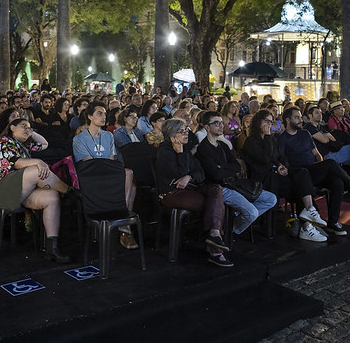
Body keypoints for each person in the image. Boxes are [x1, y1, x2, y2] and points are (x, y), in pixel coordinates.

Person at [278, 106, 350, 236]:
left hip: (314, 169)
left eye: (300, 117)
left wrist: (320, 165)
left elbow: (316, 153)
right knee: (331, 163)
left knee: (337, 181)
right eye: (296, 117)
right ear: (288, 120)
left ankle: (333, 222)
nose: (300, 120)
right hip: (300, 173)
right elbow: (282, 160)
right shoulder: (282, 138)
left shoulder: (305, 133)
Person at [0, 118, 71, 262]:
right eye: (23, 126)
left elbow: (44, 144)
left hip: (15, 191)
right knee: (36, 170)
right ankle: (70, 192)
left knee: (51, 197)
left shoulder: (23, 145)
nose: (27, 130)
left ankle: (51, 248)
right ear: (12, 127)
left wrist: (30, 131)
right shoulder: (3, 141)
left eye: (29, 128)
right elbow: (16, 163)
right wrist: (38, 161)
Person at [155, 118, 232, 267]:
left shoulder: (185, 149)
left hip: (192, 188)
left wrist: (189, 176)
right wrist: (180, 154)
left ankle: (214, 234)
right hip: (171, 194)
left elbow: (200, 173)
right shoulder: (165, 151)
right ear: (172, 135)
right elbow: (179, 172)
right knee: (213, 204)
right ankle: (216, 251)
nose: (186, 134)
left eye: (187, 130)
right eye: (182, 132)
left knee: (216, 189)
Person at [243, 110, 327, 242]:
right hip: (263, 180)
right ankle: (307, 225)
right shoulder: (251, 141)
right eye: (266, 121)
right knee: (299, 186)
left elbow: (277, 157)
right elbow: (264, 159)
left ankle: (310, 212)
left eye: (271, 121)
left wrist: (281, 165)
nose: (269, 124)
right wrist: (268, 137)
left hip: (275, 175)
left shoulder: (270, 139)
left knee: (302, 174)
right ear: (258, 122)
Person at [196, 111, 277, 237]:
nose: (221, 125)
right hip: (220, 188)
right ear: (207, 127)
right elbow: (215, 174)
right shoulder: (203, 148)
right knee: (252, 213)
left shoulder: (222, 145)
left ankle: (231, 226)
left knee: (271, 199)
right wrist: (226, 168)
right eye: (216, 123)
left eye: (221, 122)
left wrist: (222, 167)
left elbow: (237, 166)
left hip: (233, 183)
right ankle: (229, 231)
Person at [73, 102, 138, 250]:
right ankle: (124, 228)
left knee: (130, 177)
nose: (104, 117)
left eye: (104, 113)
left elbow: (111, 160)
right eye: (99, 113)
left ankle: (123, 226)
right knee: (129, 178)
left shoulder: (108, 135)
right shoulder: (80, 138)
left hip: (108, 174)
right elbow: (89, 164)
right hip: (91, 178)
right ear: (89, 116)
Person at [303, 105, 350, 191]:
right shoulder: (308, 127)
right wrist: (326, 136)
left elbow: (332, 138)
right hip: (326, 155)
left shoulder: (319, 127)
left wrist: (326, 136)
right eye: (317, 113)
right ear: (310, 116)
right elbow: (325, 140)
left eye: (320, 113)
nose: (320, 115)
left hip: (333, 151)